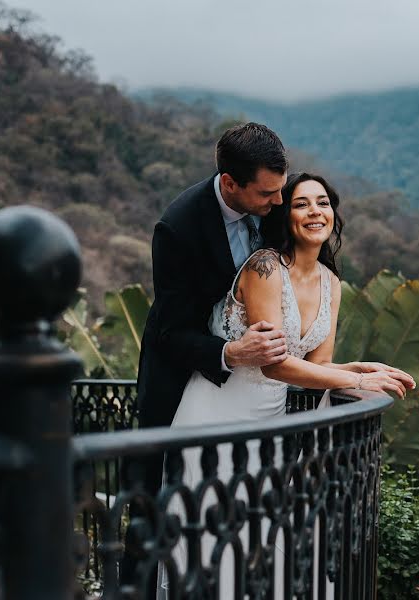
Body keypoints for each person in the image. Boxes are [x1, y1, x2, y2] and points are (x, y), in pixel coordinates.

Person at [157, 172, 414, 597]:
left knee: (256, 543)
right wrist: (352, 378)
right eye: (301, 204)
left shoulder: (333, 283)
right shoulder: (264, 267)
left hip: (270, 425)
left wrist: (362, 369)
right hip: (218, 414)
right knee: (213, 541)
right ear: (285, 215)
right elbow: (276, 363)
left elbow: (318, 365)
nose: (315, 211)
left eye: (323, 203)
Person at [127, 122, 291, 591]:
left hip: (256, 392)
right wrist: (230, 351)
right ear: (229, 183)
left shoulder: (276, 199)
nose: (277, 203)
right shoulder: (177, 228)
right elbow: (168, 331)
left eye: (280, 190)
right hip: (183, 379)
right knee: (158, 495)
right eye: (266, 194)